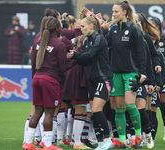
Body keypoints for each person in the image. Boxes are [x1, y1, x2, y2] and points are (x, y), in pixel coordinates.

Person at [103, 1, 147, 149]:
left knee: (130, 105)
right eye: (113, 11)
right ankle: (122, 141)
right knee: (119, 108)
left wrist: (143, 73)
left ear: (125, 13)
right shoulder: (113, 29)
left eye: (116, 11)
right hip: (115, 73)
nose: (113, 14)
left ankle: (139, 138)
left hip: (131, 73)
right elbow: (104, 45)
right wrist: (101, 30)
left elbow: (142, 53)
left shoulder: (134, 29)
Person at [23, 16, 70, 150]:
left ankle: (27, 143)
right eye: (60, 26)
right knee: (49, 113)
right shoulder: (59, 45)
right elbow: (63, 68)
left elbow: (33, 63)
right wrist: (72, 60)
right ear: (56, 29)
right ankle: (48, 144)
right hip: (50, 80)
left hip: (37, 78)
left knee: (37, 112)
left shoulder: (37, 42)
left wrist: (35, 78)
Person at [67, 16, 114, 150]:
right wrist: (73, 56)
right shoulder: (87, 41)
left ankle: (108, 139)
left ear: (91, 26)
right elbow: (84, 60)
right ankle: (100, 142)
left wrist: (75, 55)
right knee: (94, 112)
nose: (80, 29)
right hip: (92, 81)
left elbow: (89, 55)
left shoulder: (99, 39)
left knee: (96, 110)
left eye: (83, 26)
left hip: (102, 79)